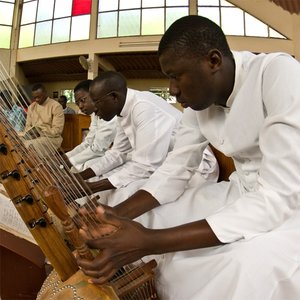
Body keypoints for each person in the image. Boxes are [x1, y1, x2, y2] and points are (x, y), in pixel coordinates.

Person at [77, 16, 300, 300]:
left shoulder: (278, 74)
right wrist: (114, 216)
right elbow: (175, 170)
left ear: (213, 61)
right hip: (242, 190)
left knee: (241, 267)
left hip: (292, 204)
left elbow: (278, 196)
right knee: (155, 217)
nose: (172, 89)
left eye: (175, 75)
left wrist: (150, 242)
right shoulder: (198, 104)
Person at [78, 71, 190, 206]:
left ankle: (107, 221)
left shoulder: (143, 107)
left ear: (114, 97)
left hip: (190, 166)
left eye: (97, 102)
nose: (94, 108)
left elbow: (146, 165)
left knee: (125, 192)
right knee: (102, 179)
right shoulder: (122, 111)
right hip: (159, 163)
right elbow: (117, 153)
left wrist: (90, 188)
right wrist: (78, 178)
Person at [65, 80, 117, 171]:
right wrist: (66, 156)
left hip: (127, 156)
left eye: (82, 100)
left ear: (95, 94)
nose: (80, 106)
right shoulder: (95, 114)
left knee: (85, 166)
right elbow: (88, 142)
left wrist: (69, 161)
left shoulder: (109, 112)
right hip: (113, 153)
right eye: (77, 103)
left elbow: (99, 148)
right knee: (79, 166)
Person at [22, 83, 64, 156]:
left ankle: (36, 166)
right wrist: (30, 133)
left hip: (51, 138)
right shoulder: (31, 107)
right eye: (35, 98)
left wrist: (40, 132)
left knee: (31, 145)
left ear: (45, 93)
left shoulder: (56, 106)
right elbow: (27, 126)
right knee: (16, 142)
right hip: (33, 137)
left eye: (39, 97)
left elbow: (57, 131)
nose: (37, 100)